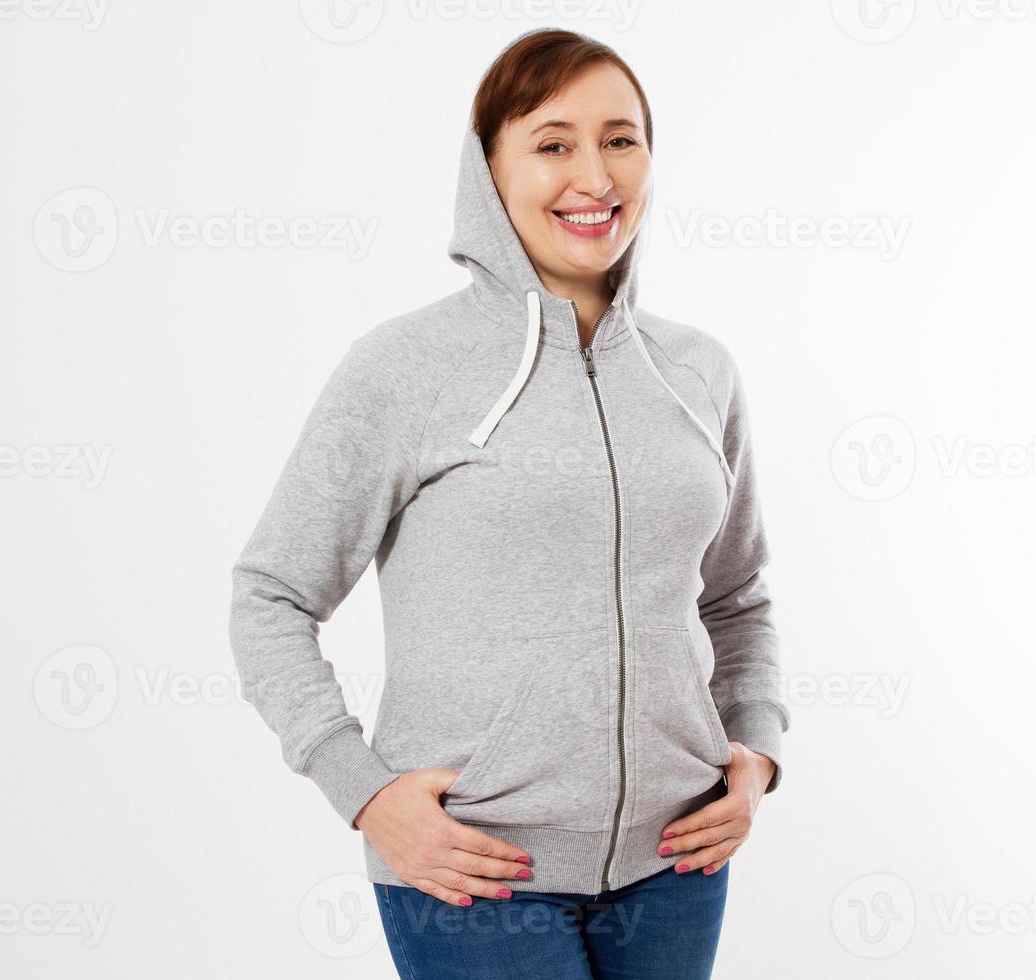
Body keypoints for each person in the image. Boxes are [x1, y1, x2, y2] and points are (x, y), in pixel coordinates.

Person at [228, 27, 790, 979]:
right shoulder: (404, 368)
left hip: (679, 865)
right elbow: (270, 596)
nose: (595, 174)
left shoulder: (700, 372)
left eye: (622, 138)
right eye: (553, 142)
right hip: (473, 871)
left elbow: (736, 598)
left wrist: (756, 753)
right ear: (487, 171)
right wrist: (363, 791)